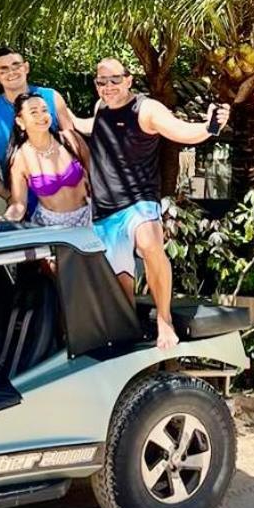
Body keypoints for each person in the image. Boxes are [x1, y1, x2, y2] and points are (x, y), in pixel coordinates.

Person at [71, 58, 230, 350]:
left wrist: (210, 127)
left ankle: (165, 319)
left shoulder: (147, 110)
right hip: (106, 210)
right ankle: (126, 336)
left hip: (139, 201)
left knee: (149, 243)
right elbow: (91, 126)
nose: (108, 87)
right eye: (101, 82)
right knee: (121, 286)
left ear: (129, 80)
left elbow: (180, 131)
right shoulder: (101, 108)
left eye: (115, 80)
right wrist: (63, 116)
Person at [0, 48, 75, 209]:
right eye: (4, 69)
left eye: (16, 66)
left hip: (67, 202)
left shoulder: (51, 98)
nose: (11, 72)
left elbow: (73, 144)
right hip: (25, 209)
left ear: (26, 68)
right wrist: (10, 197)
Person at [3, 93, 93, 228]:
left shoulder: (70, 140)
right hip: (51, 227)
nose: (41, 116)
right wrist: (5, 220)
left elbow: (96, 176)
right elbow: (19, 204)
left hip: (88, 217)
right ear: (20, 121)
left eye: (44, 110)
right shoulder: (21, 158)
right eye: (34, 112)